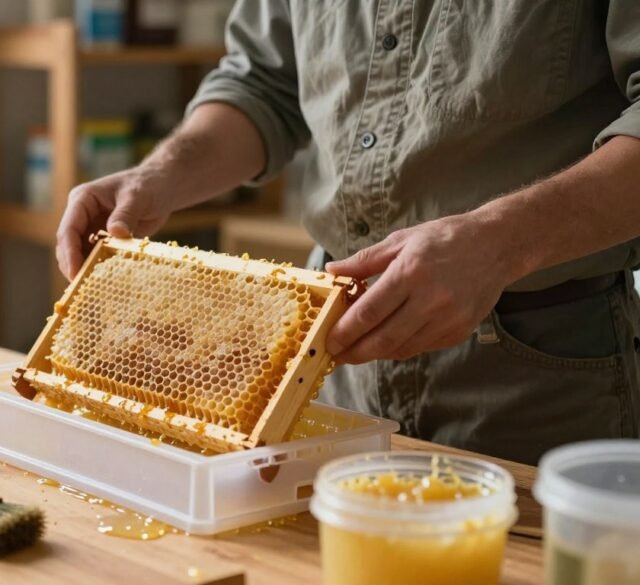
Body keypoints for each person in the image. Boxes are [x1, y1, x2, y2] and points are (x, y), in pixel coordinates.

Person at [54, 1, 640, 464]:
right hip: (328, 356)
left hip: (539, 373)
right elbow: (263, 83)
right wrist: (159, 175)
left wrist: (498, 241)